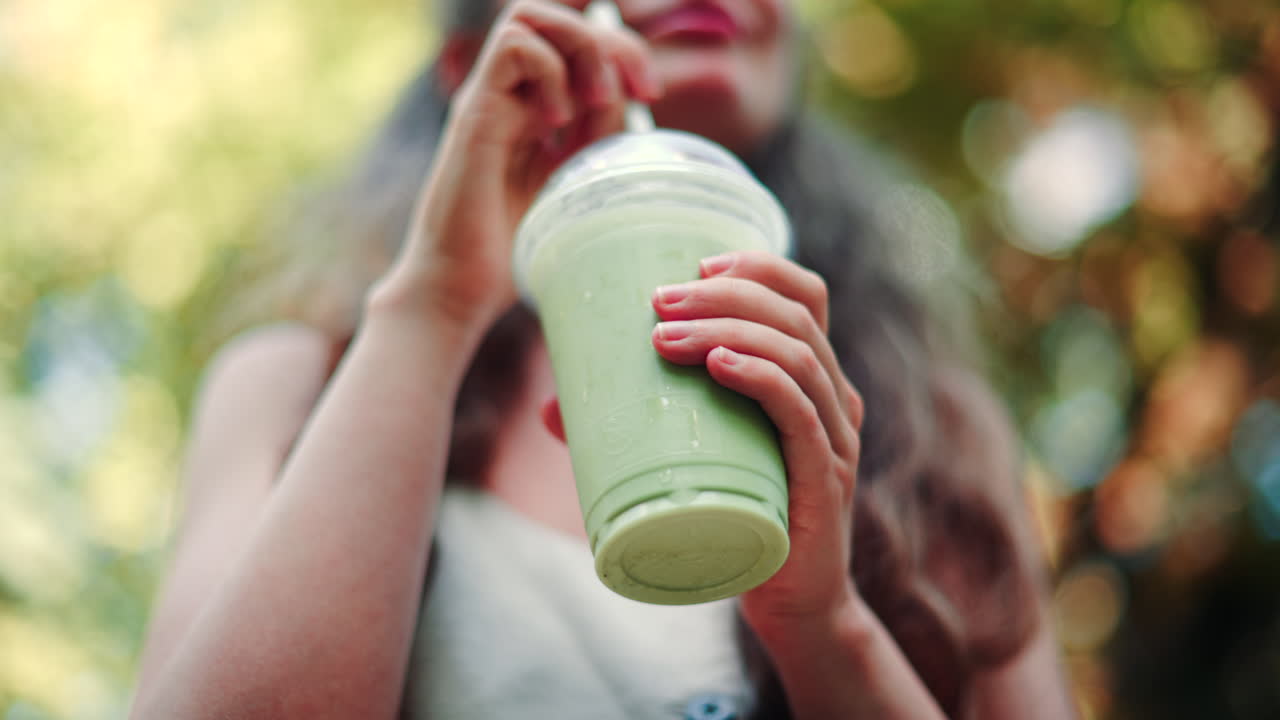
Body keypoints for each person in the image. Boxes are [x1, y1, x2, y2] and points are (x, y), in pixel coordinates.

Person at [130, 1, 1077, 718]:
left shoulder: (933, 421)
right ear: (472, 67)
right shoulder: (294, 384)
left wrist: (822, 627)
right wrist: (437, 302)